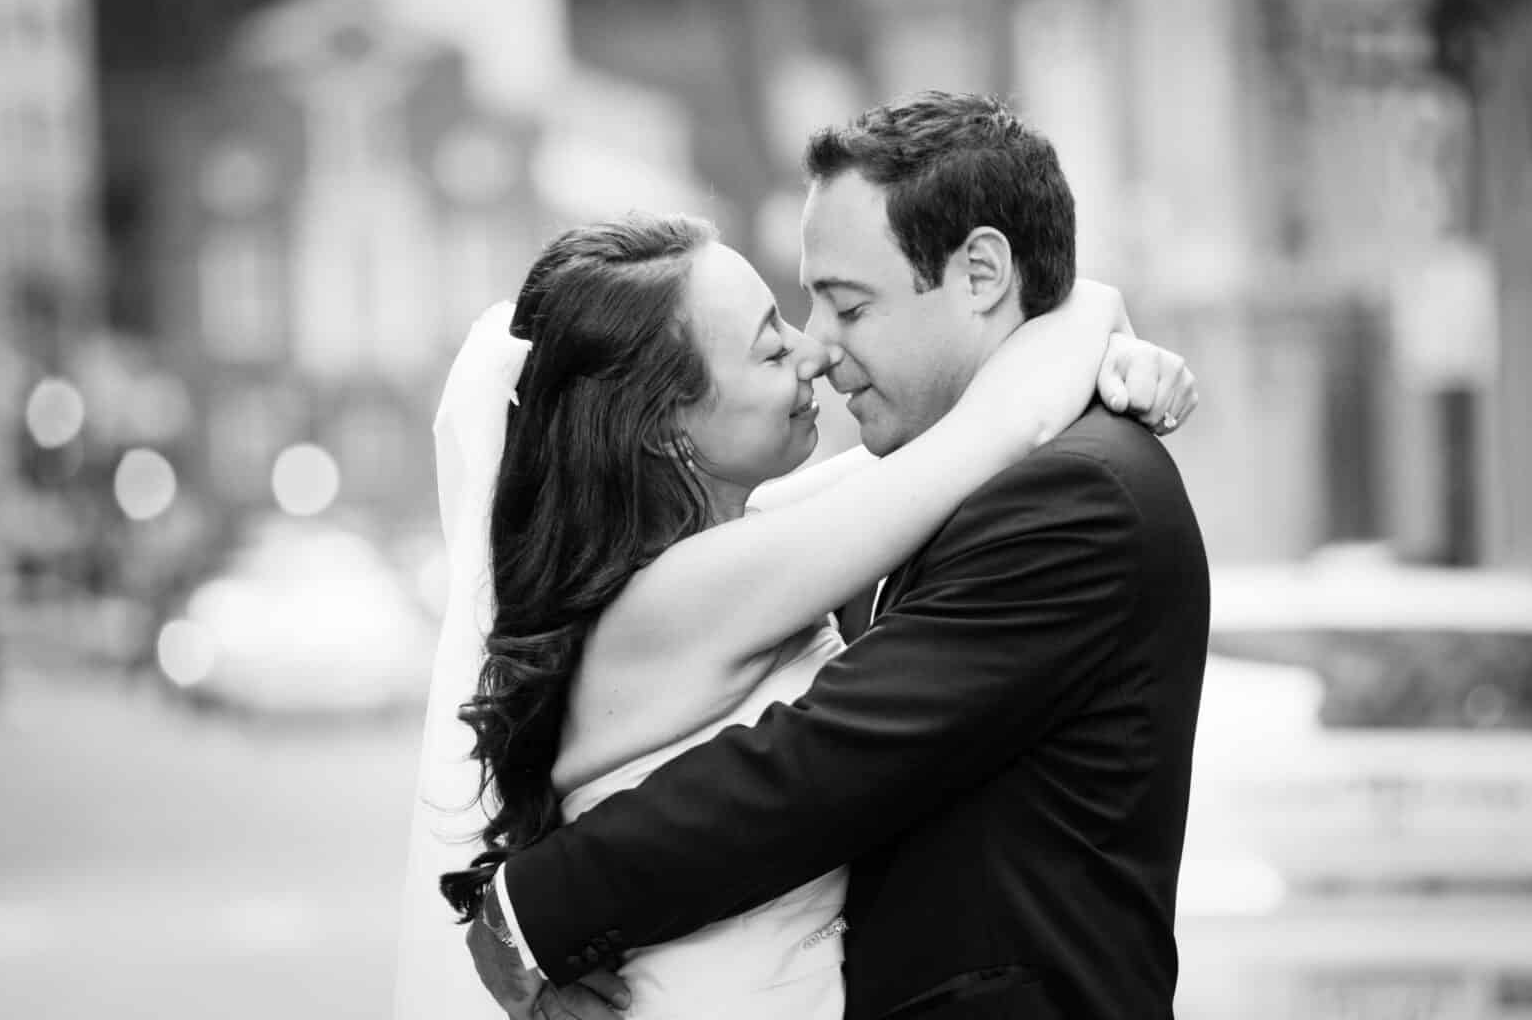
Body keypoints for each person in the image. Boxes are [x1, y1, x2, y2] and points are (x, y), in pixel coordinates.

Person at [429, 92, 1210, 1020]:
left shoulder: (1070, 496)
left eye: (845, 303)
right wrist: (1084, 321)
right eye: (780, 335)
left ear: (982, 272)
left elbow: (813, 769)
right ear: (662, 428)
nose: (818, 352)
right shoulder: (772, 553)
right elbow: (796, 772)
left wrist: (526, 914)